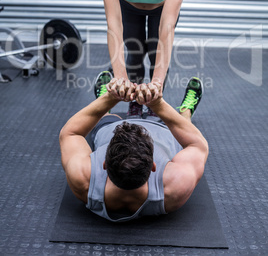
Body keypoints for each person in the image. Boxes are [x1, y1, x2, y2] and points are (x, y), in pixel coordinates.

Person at [59, 72, 208, 222]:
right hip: (165, 131)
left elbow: (70, 133)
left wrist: (110, 98)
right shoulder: (175, 186)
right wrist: (158, 105)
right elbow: (197, 144)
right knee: (183, 122)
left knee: (106, 118)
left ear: (104, 164)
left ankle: (102, 101)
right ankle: (186, 111)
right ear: (153, 166)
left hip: (112, 127)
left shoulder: (83, 179)